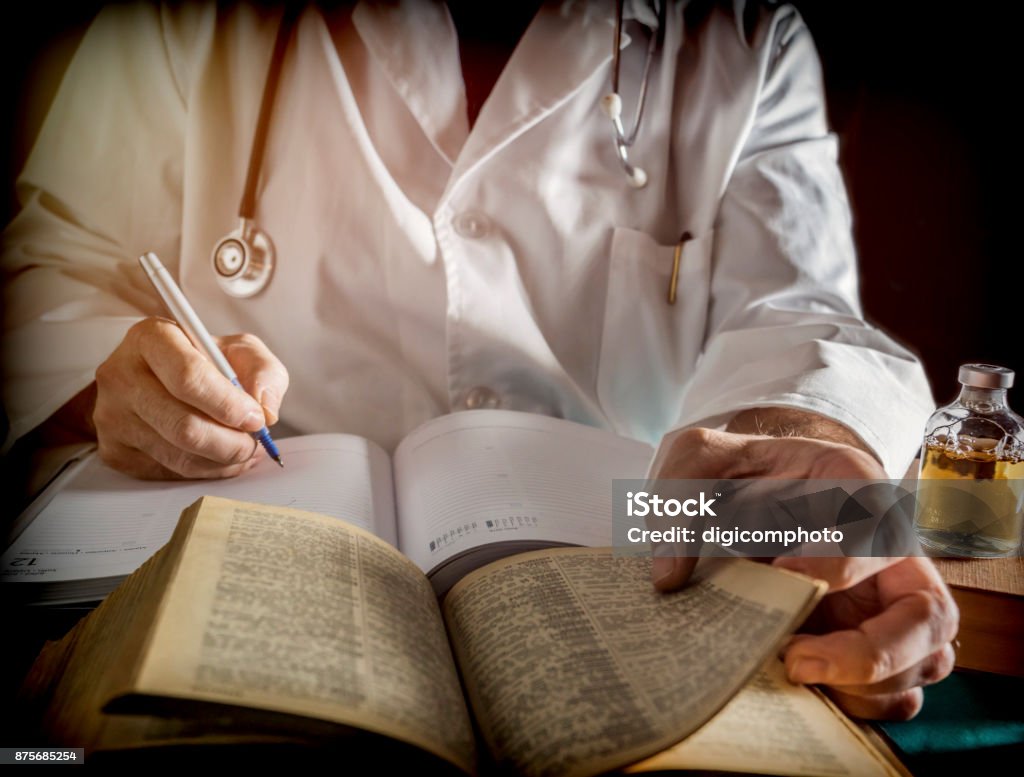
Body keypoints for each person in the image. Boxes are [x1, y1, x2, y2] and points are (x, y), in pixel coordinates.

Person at [1, 0, 957, 722]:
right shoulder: (173, 17)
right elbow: (49, 271)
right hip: (263, 566)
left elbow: (803, 318)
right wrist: (108, 385)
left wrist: (807, 449)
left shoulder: (745, 35)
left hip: (639, 557)